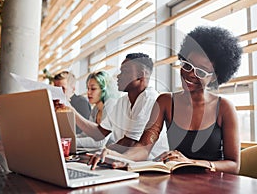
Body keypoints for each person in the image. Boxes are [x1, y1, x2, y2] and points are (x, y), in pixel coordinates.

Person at [88, 26, 242, 174]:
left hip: (215, 185)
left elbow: (234, 165)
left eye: (200, 71)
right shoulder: (165, 102)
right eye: (187, 65)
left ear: (215, 77)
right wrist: (119, 157)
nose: (190, 74)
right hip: (178, 182)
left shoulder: (224, 108)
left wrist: (194, 162)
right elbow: (143, 147)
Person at [69, 53, 168, 159]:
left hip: (150, 168)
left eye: (124, 71)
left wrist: (104, 152)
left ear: (140, 75)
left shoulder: (150, 99)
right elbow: (99, 133)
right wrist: (71, 111)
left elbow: (129, 143)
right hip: (125, 162)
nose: (118, 76)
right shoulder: (123, 101)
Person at [76, 71, 118, 148]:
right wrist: (66, 140)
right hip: (101, 153)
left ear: (104, 89)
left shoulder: (111, 105)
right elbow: (85, 134)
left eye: (93, 89)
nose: (88, 92)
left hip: (116, 155)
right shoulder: (95, 109)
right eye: (88, 88)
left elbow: (100, 142)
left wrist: (71, 142)